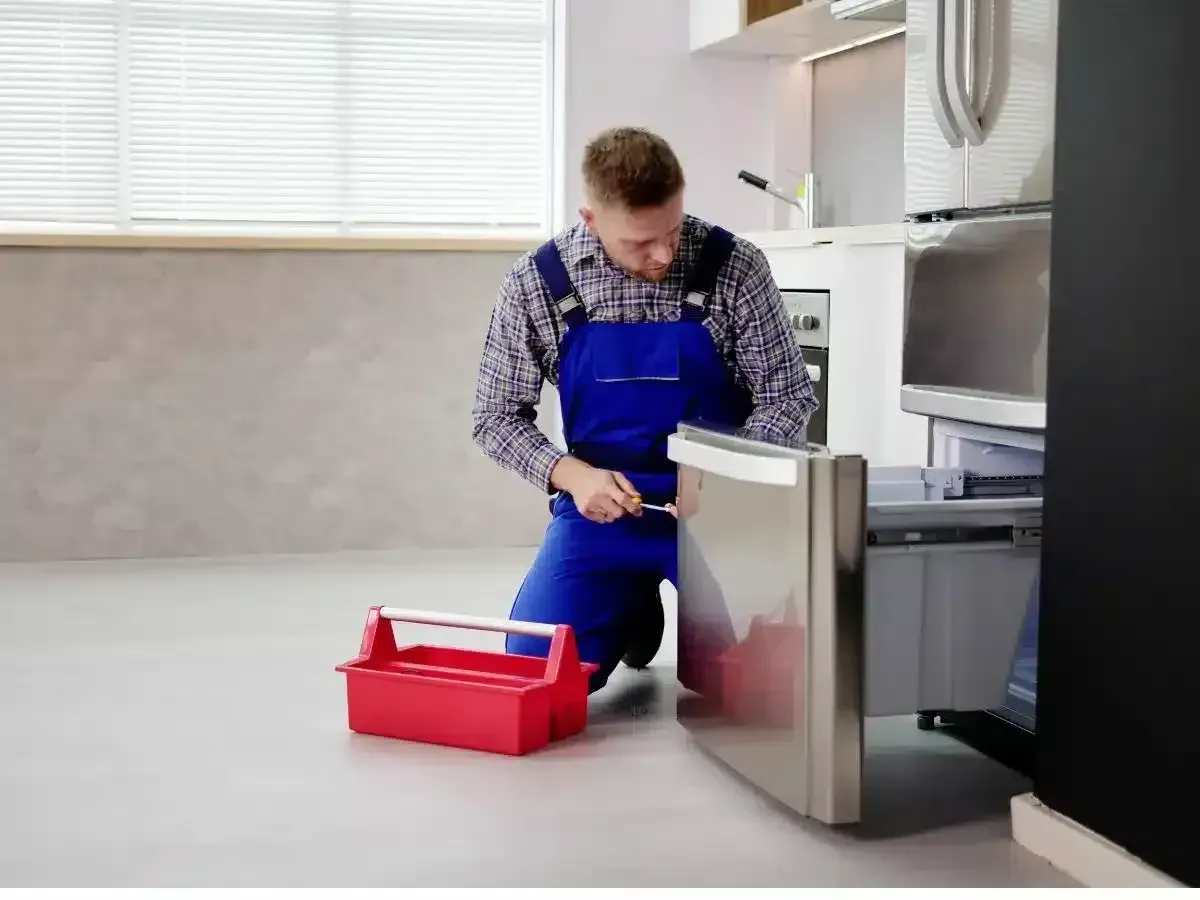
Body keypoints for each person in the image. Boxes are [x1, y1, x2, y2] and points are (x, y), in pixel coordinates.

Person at [471, 126, 818, 693]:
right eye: (640, 243)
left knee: (763, 682)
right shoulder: (538, 282)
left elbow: (786, 396)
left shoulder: (736, 266)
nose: (664, 254)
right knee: (536, 671)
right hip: (599, 514)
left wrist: (726, 481)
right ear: (591, 220)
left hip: (717, 517)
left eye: (674, 231)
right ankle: (632, 604)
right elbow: (495, 417)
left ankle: (663, 602)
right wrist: (573, 477)